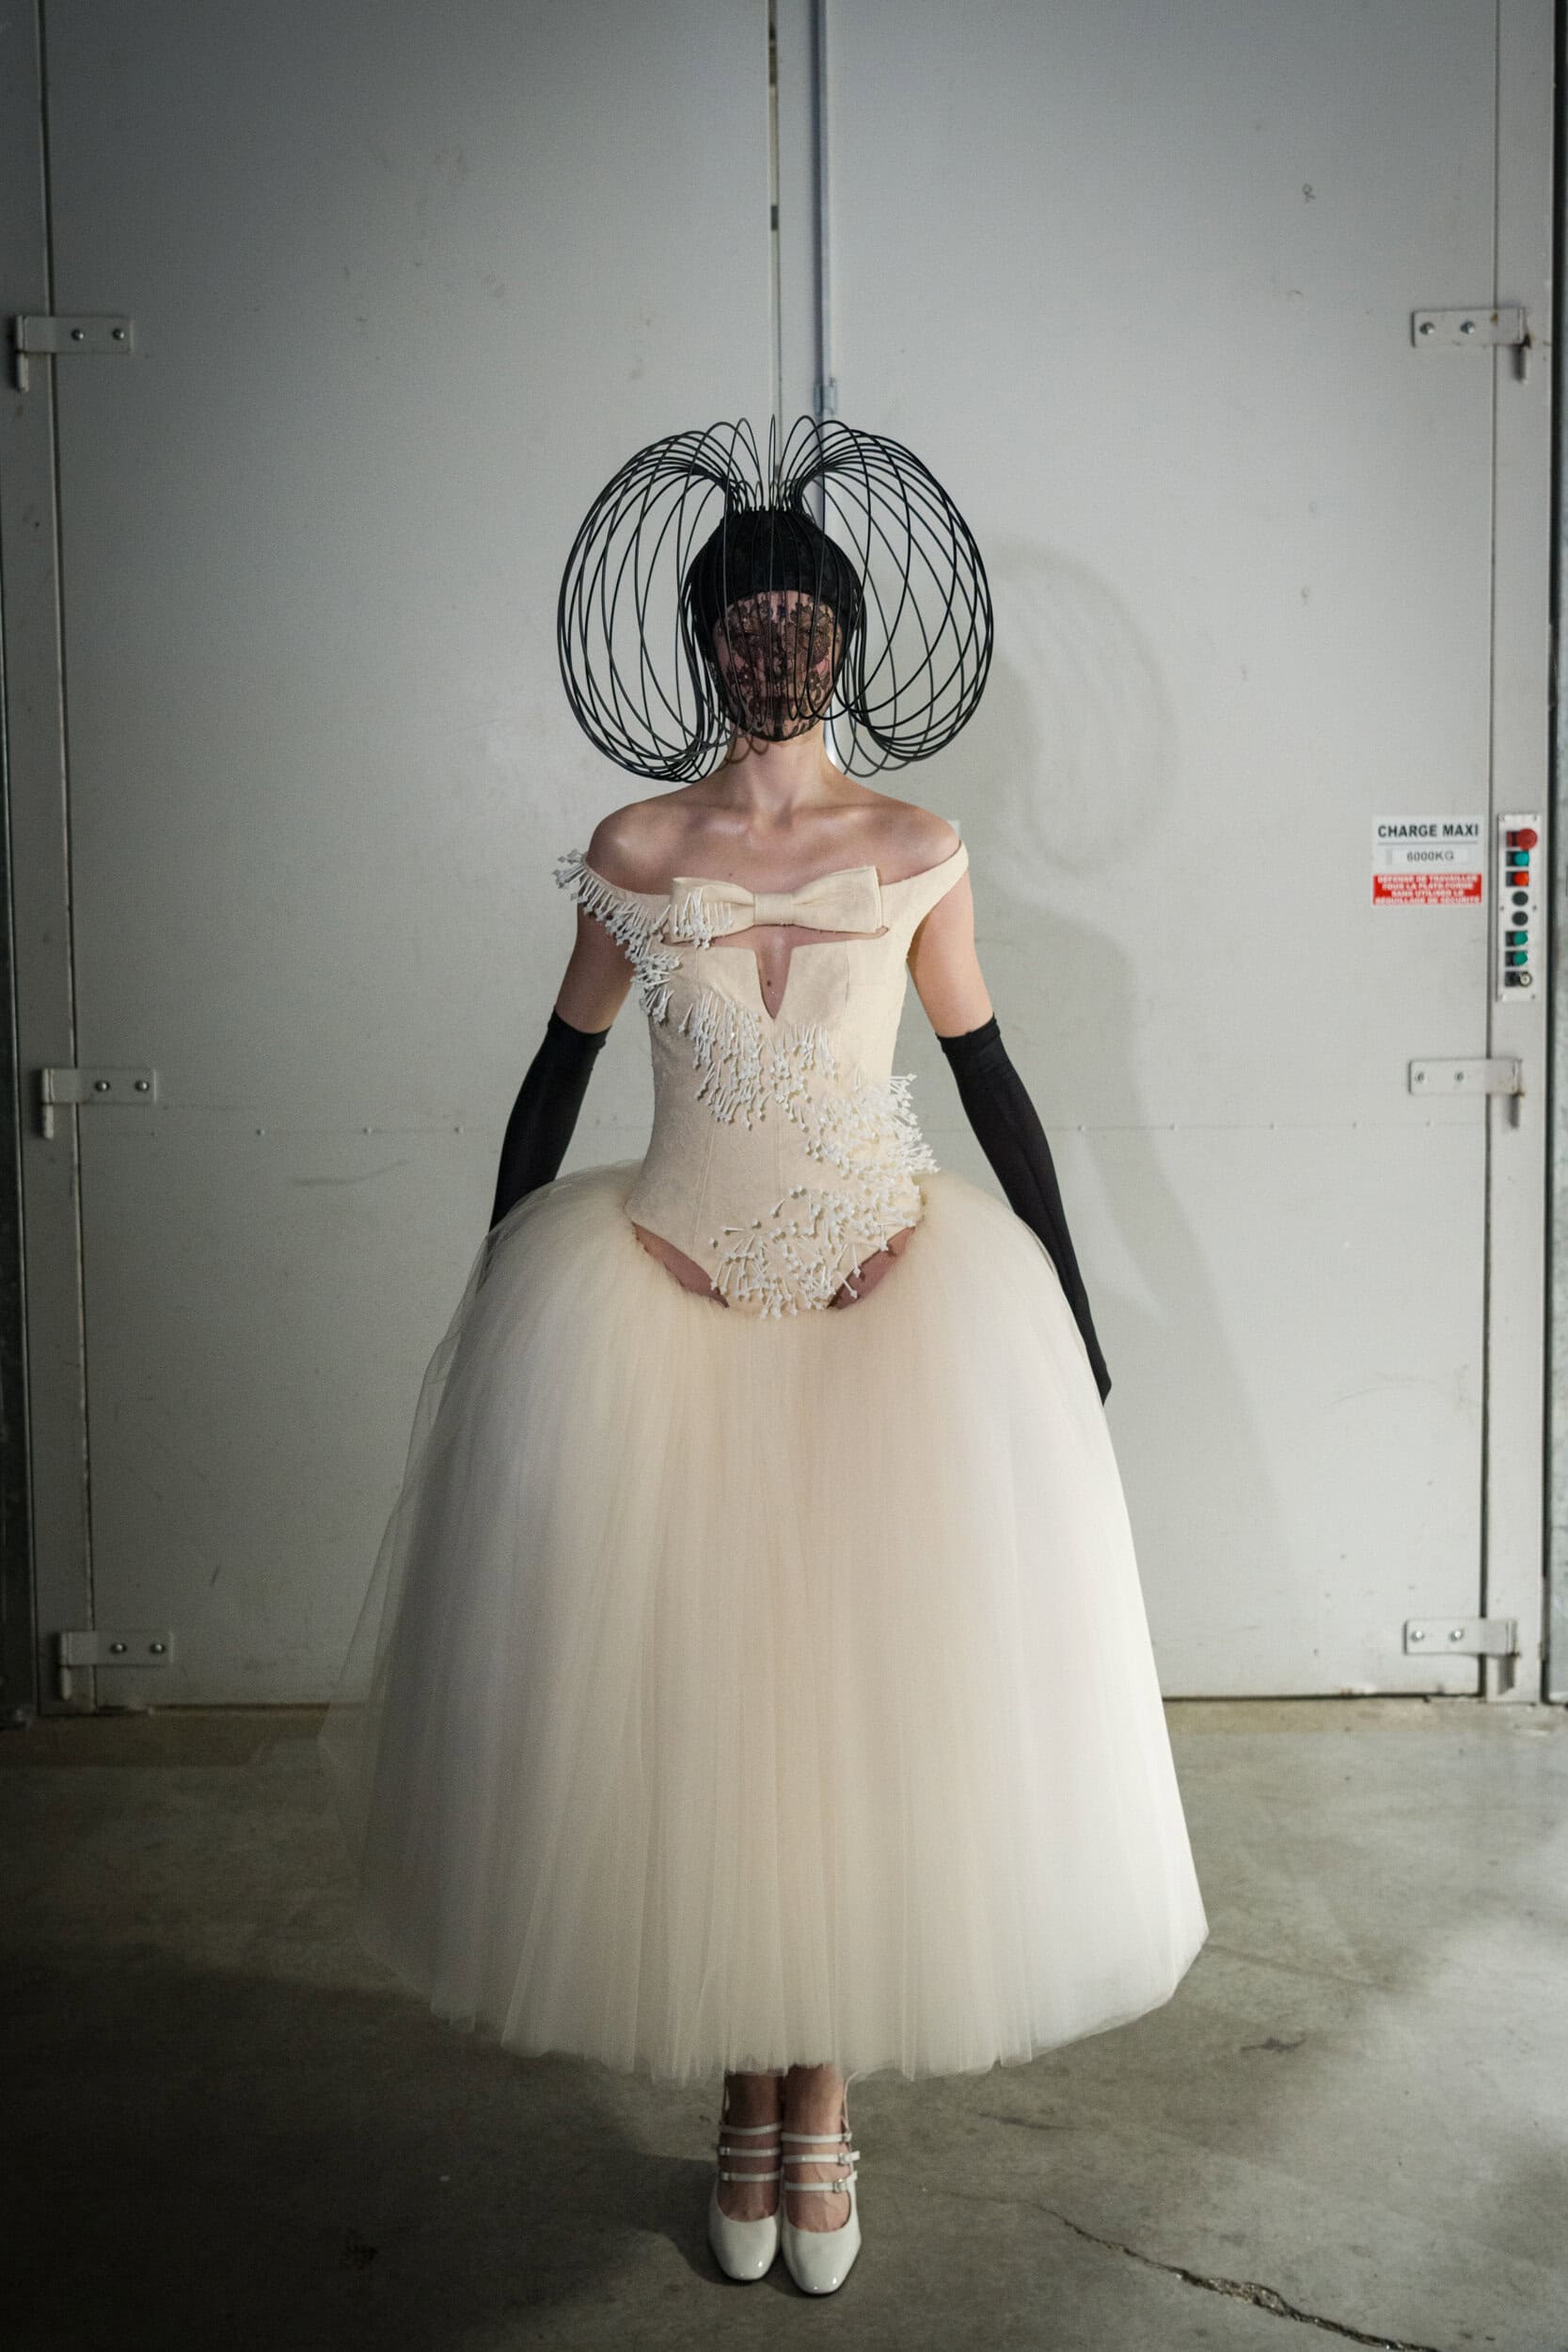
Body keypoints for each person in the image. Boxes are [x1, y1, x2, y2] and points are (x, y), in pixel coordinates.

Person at [320, 429, 1208, 2299]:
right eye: (745, 624)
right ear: (704, 644)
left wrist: (1069, 1297)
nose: (777, 651)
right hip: (662, 1314)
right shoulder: (638, 852)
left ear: (848, 641)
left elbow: (986, 1073)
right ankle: (745, 2091)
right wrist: (496, 1287)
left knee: (862, 1708)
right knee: (702, 1712)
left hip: (891, 1317)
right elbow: (557, 1073)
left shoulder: (916, 847)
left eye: (805, 621)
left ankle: (823, 2101)